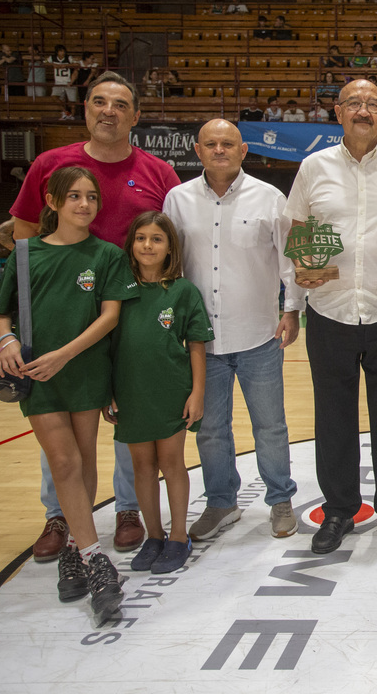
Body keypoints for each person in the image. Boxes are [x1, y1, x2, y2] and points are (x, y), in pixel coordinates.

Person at [11, 71, 181, 563]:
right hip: (64, 316)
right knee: (60, 418)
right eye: (100, 102)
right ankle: (60, 515)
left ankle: (127, 508)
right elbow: (24, 242)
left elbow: (172, 238)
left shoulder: (158, 172)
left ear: (136, 115)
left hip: (132, 313)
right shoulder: (50, 164)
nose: (110, 111)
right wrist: (19, 327)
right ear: (85, 108)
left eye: (121, 104)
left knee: (133, 409)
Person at [285, 79, 377, 555]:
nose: (364, 110)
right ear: (338, 111)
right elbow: (296, 234)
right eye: (354, 103)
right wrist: (301, 270)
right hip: (329, 310)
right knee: (332, 416)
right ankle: (339, 510)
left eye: (372, 104)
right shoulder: (313, 168)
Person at [0, 166, 139, 624]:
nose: (84, 205)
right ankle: (97, 560)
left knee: (85, 460)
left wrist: (66, 354)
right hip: (39, 373)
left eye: (91, 197)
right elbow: (2, 314)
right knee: (63, 462)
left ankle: (75, 548)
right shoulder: (25, 253)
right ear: (52, 202)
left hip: (85, 369)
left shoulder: (106, 255)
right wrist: (7, 341)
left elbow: (110, 316)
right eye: (73, 196)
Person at [163, 119, 302, 541]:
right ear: (197, 150)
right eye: (211, 144)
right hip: (200, 341)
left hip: (259, 334)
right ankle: (221, 503)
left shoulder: (270, 197)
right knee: (210, 428)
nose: (219, 149)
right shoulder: (177, 200)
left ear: (243, 151)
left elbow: (289, 258)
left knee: (271, 426)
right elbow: (170, 264)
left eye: (228, 143)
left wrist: (292, 309)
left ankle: (280, 500)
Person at [106, 211, 213, 575]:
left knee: (171, 462)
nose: (147, 245)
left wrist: (197, 391)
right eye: (141, 238)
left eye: (156, 239)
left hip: (171, 390)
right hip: (130, 392)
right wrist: (109, 390)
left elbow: (197, 344)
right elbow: (106, 343)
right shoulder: (118, 289)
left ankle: (179, 536)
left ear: (170, 248)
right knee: (141, 466)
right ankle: (154, 535)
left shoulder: (182, 291)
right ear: (131, 244)